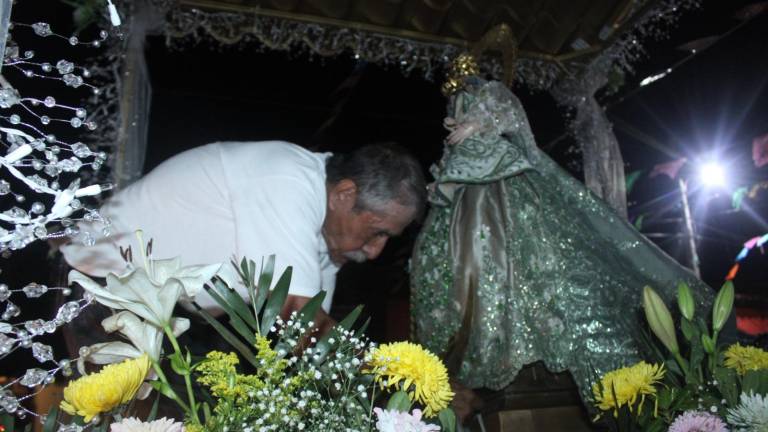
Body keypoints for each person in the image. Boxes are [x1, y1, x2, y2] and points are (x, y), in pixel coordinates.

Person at [409, 53, 715, 410]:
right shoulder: (457, 96)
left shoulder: (488, 91)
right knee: (473, 254)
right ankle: (486, 344)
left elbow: (511, 114)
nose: (459, 79)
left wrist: (475, 125)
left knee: (523, 249)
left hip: (500, 178)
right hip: (466, 185)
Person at [60, 140, 426, 335]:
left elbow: (304, 341)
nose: (377, 251)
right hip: (97, 289)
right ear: (344, 194)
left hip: (157, 315)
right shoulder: (288, 181)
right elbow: (300, 323)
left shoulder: (325, 236)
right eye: (377, 231)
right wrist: (401, 380)